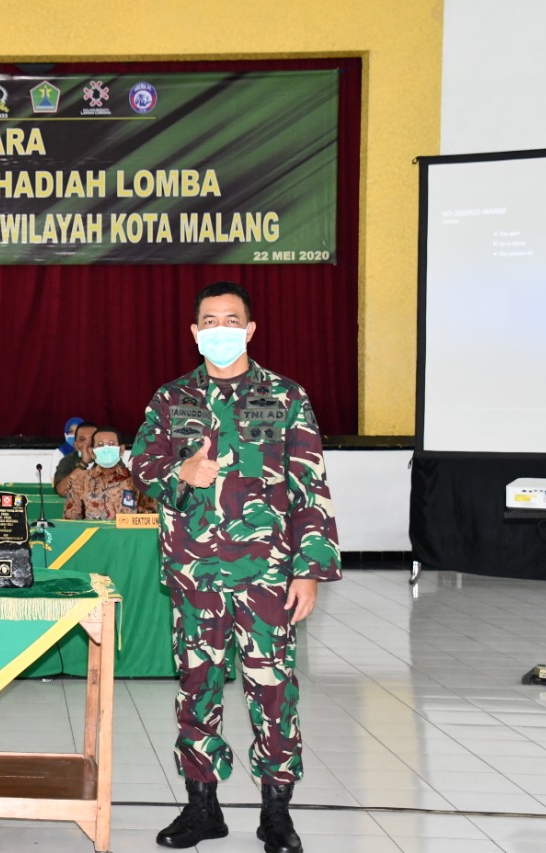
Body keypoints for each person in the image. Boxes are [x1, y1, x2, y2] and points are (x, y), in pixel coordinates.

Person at [129, 281, 340, 853]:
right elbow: (141, 462)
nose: (220, 330)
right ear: (196, 332)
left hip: (268, 575)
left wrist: (308, 570)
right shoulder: (172, 399)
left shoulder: (284, 395)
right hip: (197, 575)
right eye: (209, 321)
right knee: (197, 687)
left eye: (231, 320)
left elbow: (310, 485)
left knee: (272, 689)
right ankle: (202, 808)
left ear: (248, 330)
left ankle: (276, 813)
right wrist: (182, 476)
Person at [62, 426, 156, 519]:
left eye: (111, 444)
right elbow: (71, 520)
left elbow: (151, 518)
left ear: (121, 450)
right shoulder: (78, 480)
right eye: (100, 444)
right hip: (93, 533)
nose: (106, 449)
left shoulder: (137, 480)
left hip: (128, 534)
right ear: (92, 452)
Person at [54, 420, 97, 497]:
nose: (87, 444)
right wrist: (83, 464)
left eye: (92, 440)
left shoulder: (110, 459)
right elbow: (62, 490)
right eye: (82, 440)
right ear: (75, 444)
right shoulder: (67, 461)